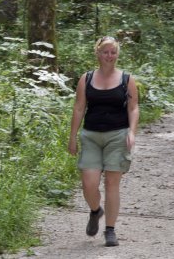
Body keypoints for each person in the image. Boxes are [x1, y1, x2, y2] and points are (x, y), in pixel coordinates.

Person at [68, 36, 139, 247]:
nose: (110, 56)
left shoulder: (127, 79)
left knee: (111, 183)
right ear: (98, 53)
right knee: (89, 185)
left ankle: (110, 230)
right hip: (90, 135)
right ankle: (95, 210)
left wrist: (132, 132)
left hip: (118, 135)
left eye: (113, 52)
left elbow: (134, 108)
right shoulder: (86, 78)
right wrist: (72, 137)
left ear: (117, 54)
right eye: (106, 52)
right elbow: (79, 108)